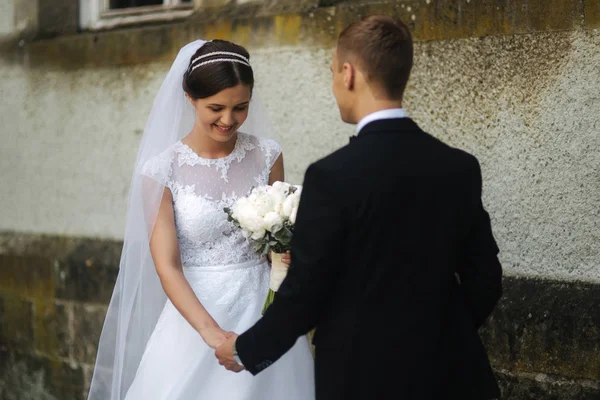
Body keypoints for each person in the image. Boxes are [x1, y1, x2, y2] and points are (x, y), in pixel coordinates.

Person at [216, 15, 503, 400]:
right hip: (454, 377)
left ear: (349, 74)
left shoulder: (331, 176)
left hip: (361, 378)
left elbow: (304, 295)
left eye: (333, 71)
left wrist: (243, 350)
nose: (334, 82)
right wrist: (438, 336)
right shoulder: (459, 167)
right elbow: (485, 279)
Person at [87, 39, 314, 400]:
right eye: (216, 108)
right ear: (190, 97)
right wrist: (210, 333)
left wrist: (286, 261)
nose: (228, 120)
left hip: (262, 312)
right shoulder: (162, 170)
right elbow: (168, 266)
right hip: (196, 316)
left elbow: (281, 236)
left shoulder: (267, 154)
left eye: (241, 107)